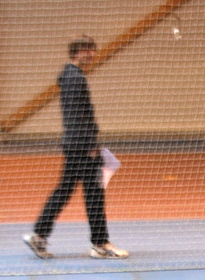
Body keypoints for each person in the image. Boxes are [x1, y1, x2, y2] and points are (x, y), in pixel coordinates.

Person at [24, 35, 128, 260]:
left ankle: (39, 236)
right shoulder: (74, 78)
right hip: (82, 146)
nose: (90, 54)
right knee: (94, 194)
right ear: (76, 52)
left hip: (76, 144)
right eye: (85, 50)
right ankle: (101, 244)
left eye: (92, 49)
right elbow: (77, 116)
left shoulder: (70, 76)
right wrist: (91, 145)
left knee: (66, 190)